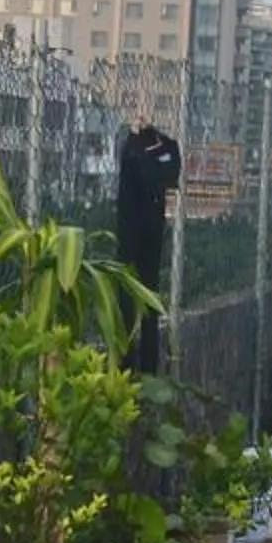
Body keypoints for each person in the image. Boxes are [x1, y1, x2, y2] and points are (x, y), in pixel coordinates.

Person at [117, 120, 183, 371]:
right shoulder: (131, 149)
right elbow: (146, 171)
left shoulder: (161, 146)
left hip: (151, 233)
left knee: (148, 298)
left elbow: (168, 172)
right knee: (127, 297)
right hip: (131, 232)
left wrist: (146, 145)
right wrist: (139, 144)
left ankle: (146, 366)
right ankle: (128, 363)